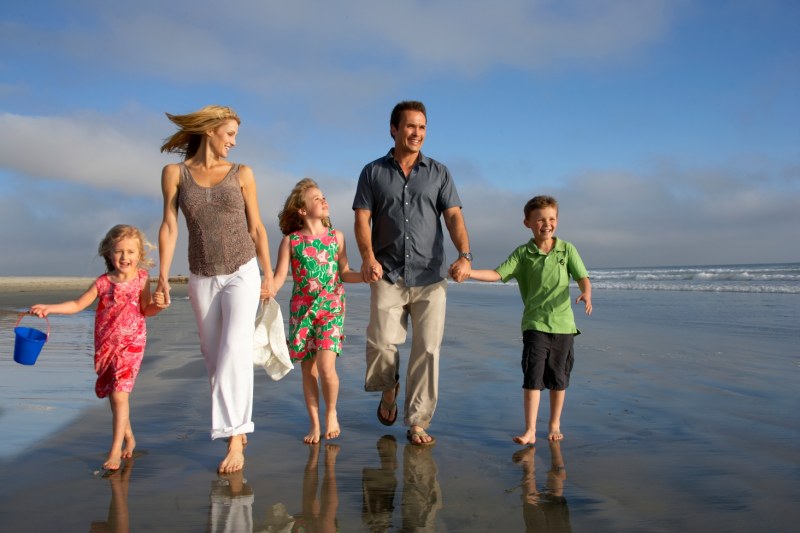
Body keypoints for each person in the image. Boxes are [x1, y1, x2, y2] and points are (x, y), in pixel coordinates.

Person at [156, 104, 276, 473]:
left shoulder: (242, 174)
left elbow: (256, 227)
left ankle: (237, 438)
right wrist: (162, 275)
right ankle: (233, 430)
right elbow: (170, 226)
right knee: (212, 356)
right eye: (229, 134)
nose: (233, 143)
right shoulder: (174, 173)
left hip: (243, 270)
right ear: (210, 130)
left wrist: (268, 273)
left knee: (233, 350)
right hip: (201, 273)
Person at [353, 100, 473, 447]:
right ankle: (388, 390)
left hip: (430, 276)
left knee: (427, 350)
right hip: (387, 273)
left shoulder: (439, 172)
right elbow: (363, 218)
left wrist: (465, 255)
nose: (416, 133)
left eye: (422, 127)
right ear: (394, 129)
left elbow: (453, 217)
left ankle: (418, 421)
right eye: (410, 126)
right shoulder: (373, 172)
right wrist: (367, 257)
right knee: (381, 344)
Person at [30, 224, 164, 471]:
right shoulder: (103, 283)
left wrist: (159, 306)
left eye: (131, 252)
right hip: (106, 344)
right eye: (119, 251)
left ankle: (114, 451)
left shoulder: (142, 279)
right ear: (109, 253)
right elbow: (77, 304)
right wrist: (50, 308)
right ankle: (129, 437)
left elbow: (147, 310)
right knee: (114, 396)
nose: (125, 257)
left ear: (139, 255)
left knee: (119, 394)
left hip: (131, 344)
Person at [469, 195, 592, 445]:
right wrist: (468, 272)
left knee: (559, 379)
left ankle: (554, 423)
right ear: (527, 223)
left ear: (557, 220)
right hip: (534, 325)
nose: (546, 224)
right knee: (532, 378)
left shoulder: (566, 249)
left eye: (551, 219)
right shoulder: (523, 254)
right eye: (540, 220)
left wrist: (586, 292)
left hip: (564, 326)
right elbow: (497, 273)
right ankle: (530, 430)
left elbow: (582, 276)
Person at [273, 178, 361, 444]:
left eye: (323, 197)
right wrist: (265, 291)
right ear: (302, 210)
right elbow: (278, 279)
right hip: (302, 311)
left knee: (325, 366)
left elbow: (344, 273)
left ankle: (331, 413)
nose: (324, 200)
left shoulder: (337, 237)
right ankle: (314, 423)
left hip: (332, 306)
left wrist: (366, 276)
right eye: (316, 199)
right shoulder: (291, 241)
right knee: (308, 370)